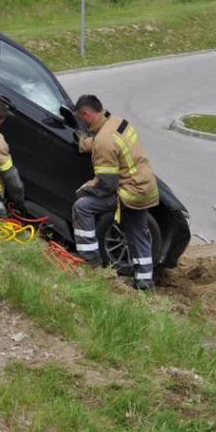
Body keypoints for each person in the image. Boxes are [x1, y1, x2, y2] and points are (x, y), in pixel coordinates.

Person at [71, 94, 159, 291]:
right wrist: (87, 144)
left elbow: (107, 184)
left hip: (129, 193)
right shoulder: (118, 122)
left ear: (86, 114)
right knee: (137, 232)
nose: (81, 123)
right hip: (146, 187)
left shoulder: (103, 140)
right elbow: (107, 143)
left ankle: (91, 264)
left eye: (80, 118)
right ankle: (145, 284)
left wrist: (84, 190)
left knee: (82, 207)